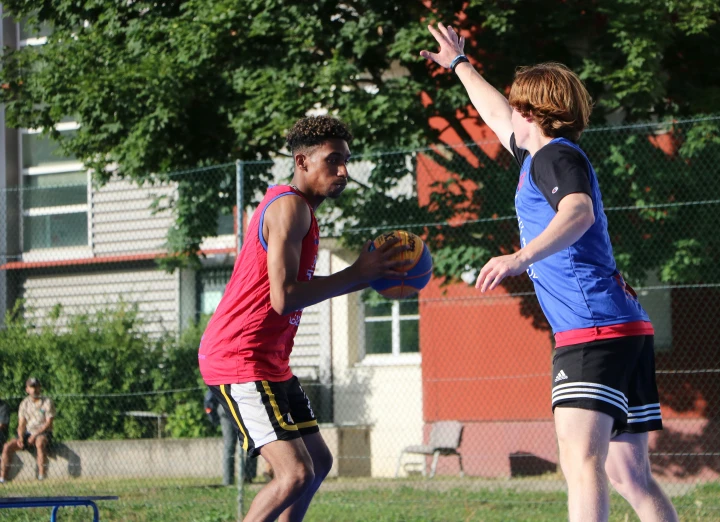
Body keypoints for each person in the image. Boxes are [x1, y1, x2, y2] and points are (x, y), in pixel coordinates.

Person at [421, 23, 679, 522]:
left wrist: (518, 257)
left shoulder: (555, 157)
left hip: (592, 330)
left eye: (517, 104)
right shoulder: (543, 155)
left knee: (580, 462)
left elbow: (578, 212)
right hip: (623, 328)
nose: (507, 111)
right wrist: (459, 64)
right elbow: (494, 113)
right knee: (630, 475)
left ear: (532, 113)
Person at [198, 115, 409, 522]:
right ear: (303, 162)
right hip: (238, 357)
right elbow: (284, 298)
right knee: (294, 473)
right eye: (333, 161)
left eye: (346, 160)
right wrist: (359, 275)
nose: (344, 171)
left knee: (318, 462)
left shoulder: (301, 211)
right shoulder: (289, 208)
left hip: (269, 360)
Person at [204, 388, 271, 485]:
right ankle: (240, 478)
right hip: (236, 408)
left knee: (239, 445)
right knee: (246, 443)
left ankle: (234, 480)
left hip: (235, 408)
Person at [0, 377, 56, 483]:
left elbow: (49, 423)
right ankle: (3, 478)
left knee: (39, 443)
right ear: (27, 389)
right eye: (31, 387)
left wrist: (35, 435)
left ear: (40, 388)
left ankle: (41, 476)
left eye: (36, 387)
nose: (34, 390)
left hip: (43, 432)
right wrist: (21, 437)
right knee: (7, 446)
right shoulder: (24, 403)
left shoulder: (47, 402)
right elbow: (21, 424)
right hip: (27, 433)